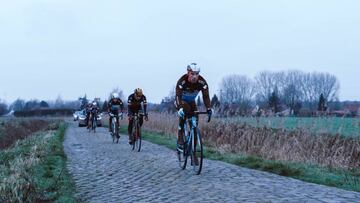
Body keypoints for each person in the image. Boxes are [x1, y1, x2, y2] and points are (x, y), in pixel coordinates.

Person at [175, 63, 212, 151]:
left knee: (194, 127)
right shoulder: (182, 81)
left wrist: (209, 108)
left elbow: (206, 97)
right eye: (192, 74)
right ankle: (180, 135)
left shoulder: (202, 82)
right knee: (185, 109)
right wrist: (179, 107)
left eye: (197, 74)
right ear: (188, 73)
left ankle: (193, 152)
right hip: (181, 101)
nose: (194, 76)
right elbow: (177, 96)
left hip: (192, 102)